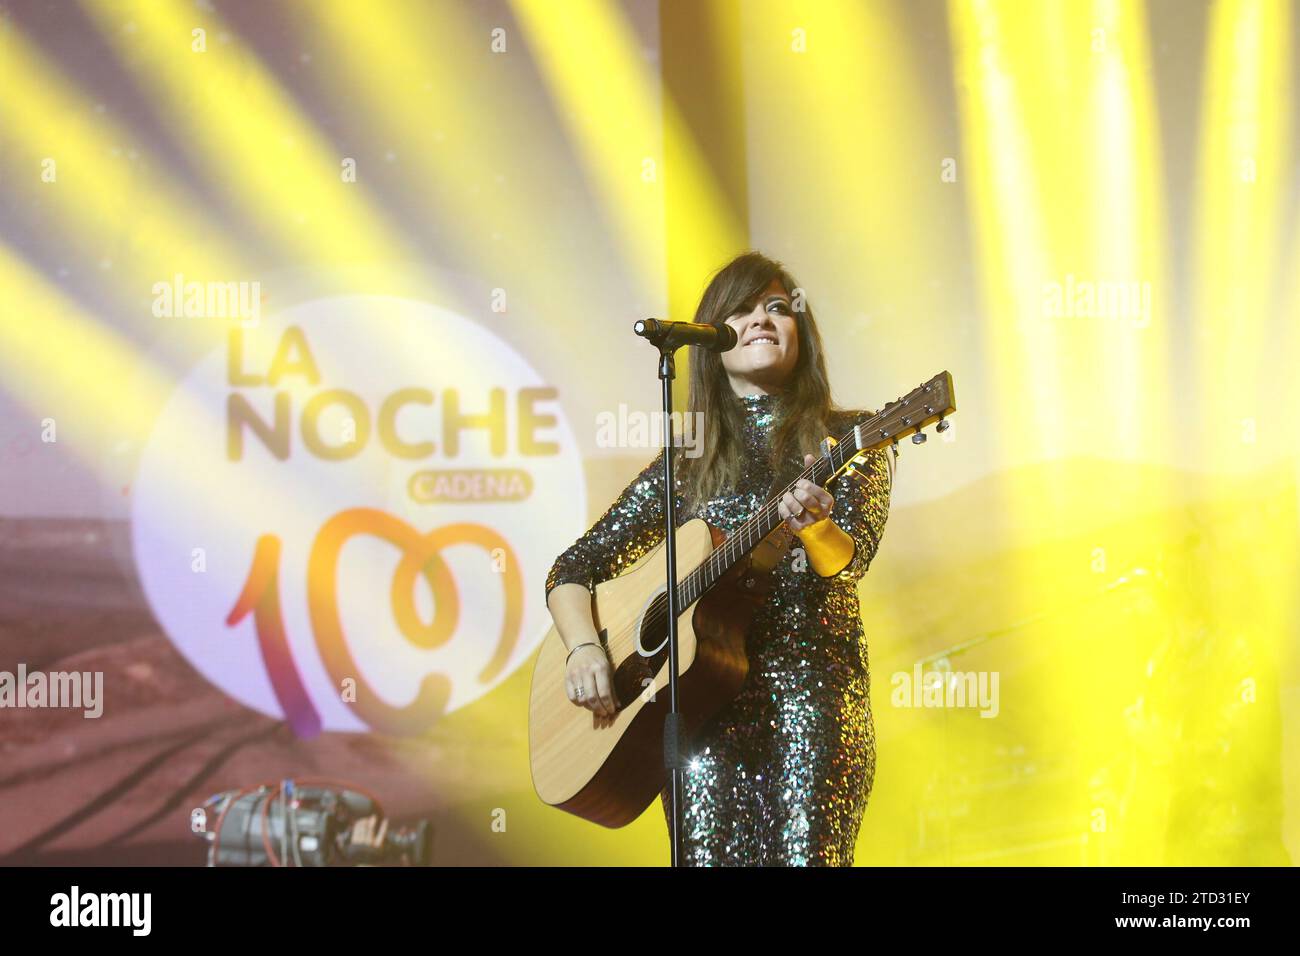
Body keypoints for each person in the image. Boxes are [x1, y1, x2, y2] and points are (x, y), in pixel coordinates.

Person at [544, 250, 892, 866]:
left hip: (809, 701)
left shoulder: (848, 436)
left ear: (801, 335)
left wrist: (817, 527)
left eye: (778, 308)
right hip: (698, 720)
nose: (761, 318)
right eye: (742, 309)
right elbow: (572, 570)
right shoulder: (685, 465)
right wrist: (583, 648)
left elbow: (850, 559)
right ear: (712, 340)